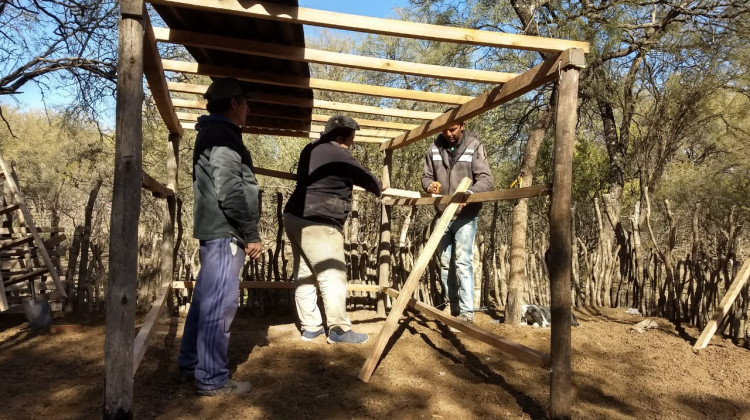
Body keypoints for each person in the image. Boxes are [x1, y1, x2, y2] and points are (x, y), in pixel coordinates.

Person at [177, 77, 262, 396]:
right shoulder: (223, 136)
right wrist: (250, 233)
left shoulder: (214, 133)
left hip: (216, 231)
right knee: (220, 304)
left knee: (205, 300)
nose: (249, 109)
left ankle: (189, 365)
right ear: (234, 103)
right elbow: (229, 189)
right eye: (246, 103)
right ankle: (211, 378)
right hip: (226, 232)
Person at [283, 115, 385, 344]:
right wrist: (379, 185)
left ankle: (310, 327)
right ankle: (338, 329)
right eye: (351, 140)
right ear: (340, 138)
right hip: (319, 221)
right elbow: (367, 178)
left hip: (294, 216)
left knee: (305, 274)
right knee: (332, 276)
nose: (351, 145)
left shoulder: (310, 148)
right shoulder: (338, 153)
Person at [421, 119, 493, 324]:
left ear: (463, 125)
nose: (448, 133)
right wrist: (430, 185)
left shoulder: (474, 145)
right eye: (444, 130)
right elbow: (426, 177)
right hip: (443, 214)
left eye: (452, 129)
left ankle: (466, 313)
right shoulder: (434, 147)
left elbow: (486, 179)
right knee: (445, 263)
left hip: (466, 215)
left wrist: (468, 194)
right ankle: (452, 308)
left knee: (462, 262)